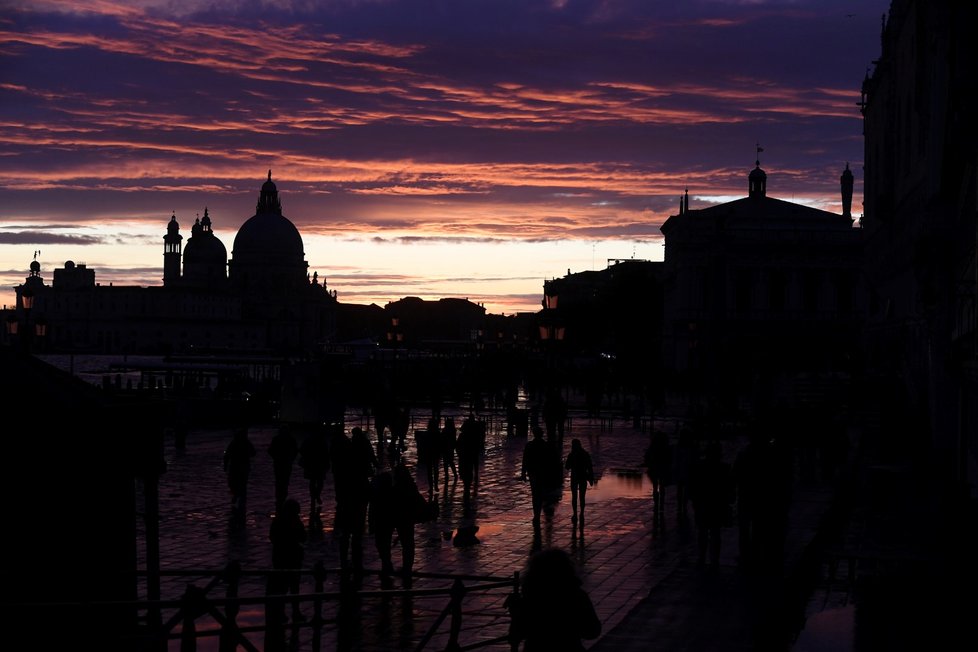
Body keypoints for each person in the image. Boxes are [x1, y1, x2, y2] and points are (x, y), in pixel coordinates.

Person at [507, 547, 601, 651]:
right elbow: (592, 631)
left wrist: (516, 612)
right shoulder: (576, 595)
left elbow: (515, 636)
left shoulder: (531, 597)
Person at [690, 440, 735, 569]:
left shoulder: (700, 467)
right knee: (715, 532)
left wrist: (694, 500)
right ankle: (714, 559)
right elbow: (730, 487)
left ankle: (702, 557)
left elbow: (695, 486)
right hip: (717, 504)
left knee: (703, 531)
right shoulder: (724, 468)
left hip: (704, 503)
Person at [268, 498, 307, 623]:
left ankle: (282, 612)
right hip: (293, 558)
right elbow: (303, 537)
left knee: (282, 587)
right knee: (293, 587)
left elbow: (272, 538)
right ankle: (294, 612)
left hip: (280, 557)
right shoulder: (296, 521)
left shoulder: (277, 521)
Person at [521, 426, 553, 525]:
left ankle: (536, 515)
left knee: (535, 494)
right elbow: (549, 461)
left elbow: (525, 460)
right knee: (540, 494)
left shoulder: (529, 445)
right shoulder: (545, 445)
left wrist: (523, 472)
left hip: (533, 472)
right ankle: (537, 514)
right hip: (542, 472)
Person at [297, 426, 330, 518]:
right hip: (319, 464)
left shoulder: (309, 440)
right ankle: (316, 495)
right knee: (319, 481)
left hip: (311, 464)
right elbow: (326, 453)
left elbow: (301, 450)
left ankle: (314, 496)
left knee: (313, 481)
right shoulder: (322, 441)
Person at [223, 426, 256, 513]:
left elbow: (253, 452)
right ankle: (237, 496)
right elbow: (227, 454)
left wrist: (225, 465)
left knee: (240, 484)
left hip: (241, 467)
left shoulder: (244, 442)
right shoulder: (236, 442)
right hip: (238, 467)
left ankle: (240, 500)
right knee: (235, 483)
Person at [565, 438, 595, 532]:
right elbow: (590, 467)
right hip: (583, 476)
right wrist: (591, 478)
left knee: (574, 496)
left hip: (574, 477)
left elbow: (567, 467)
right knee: (582, 496)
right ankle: (581, 513)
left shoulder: (571, 454)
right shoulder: (585, 454)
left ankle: (575, 513)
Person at [268, 424, 298, 511]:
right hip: (286, 463)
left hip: (278, 463)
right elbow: (295, 451)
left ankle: (279, 498)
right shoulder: (291, 439)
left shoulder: (276, 439)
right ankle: (283, 497)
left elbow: (270, 451)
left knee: (279, 481)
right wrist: (291, 458)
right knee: (285, 481)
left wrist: (275, 457)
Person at [440, 416, 459, 482]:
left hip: (445, 448)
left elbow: (442, 439)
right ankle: (455, 474)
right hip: (450, 448)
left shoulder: (445, 430)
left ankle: (447, 475)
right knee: (451, 462)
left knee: (446, 462)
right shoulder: (453, 431)